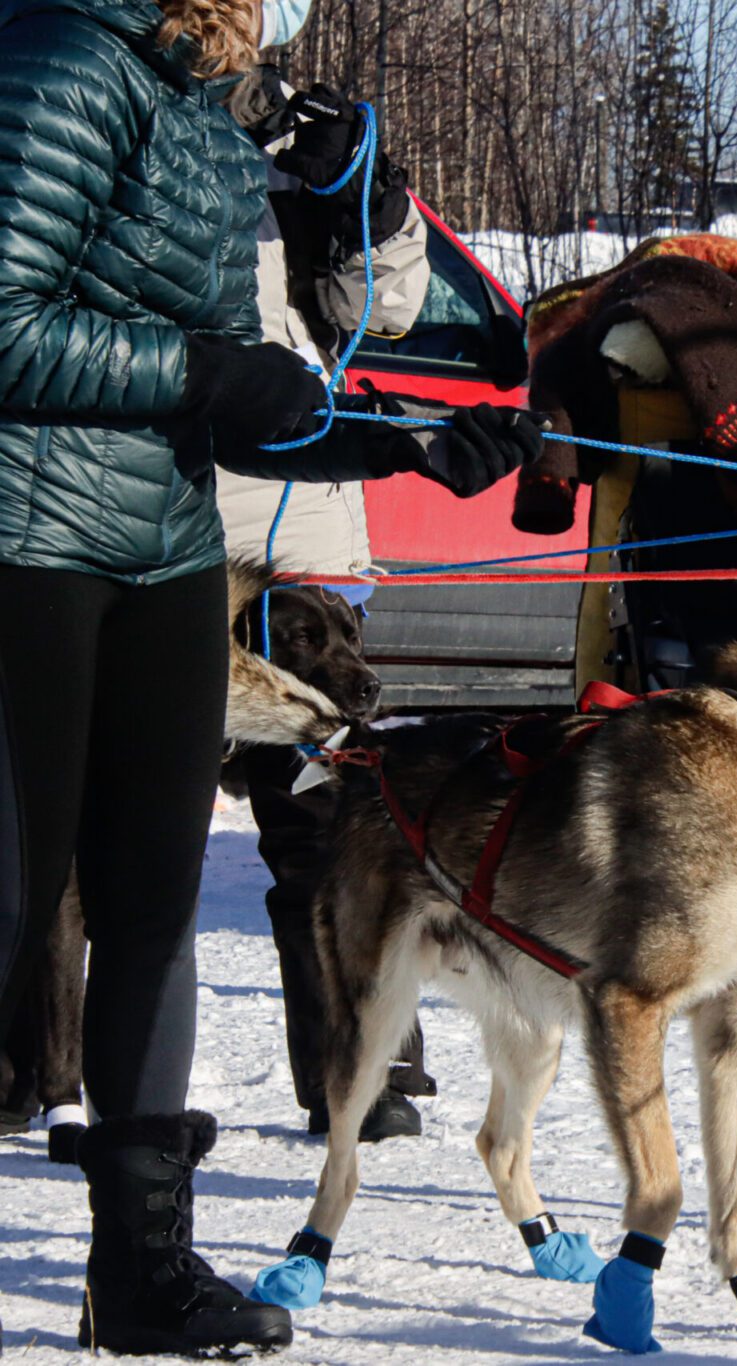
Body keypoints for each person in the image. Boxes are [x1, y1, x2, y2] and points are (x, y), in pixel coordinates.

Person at [0, 0, 537, 1351]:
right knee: (16, 900)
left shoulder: (205, 102)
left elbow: (244, 391)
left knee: (152, 908)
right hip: (24, 538)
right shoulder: (62, 55)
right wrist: (205, 372)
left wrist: (405, 443)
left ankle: (138, 1271)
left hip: (167, 543)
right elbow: (7, 324)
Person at [218, 62, 440, 1144]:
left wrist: (367, 194)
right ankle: (40, 1069)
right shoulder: (90, 91)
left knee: (318, 829)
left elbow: (382, 311)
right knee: (90, 837)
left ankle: (357, 1076)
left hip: (301, 538)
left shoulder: (277, 123)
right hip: (160, 536)